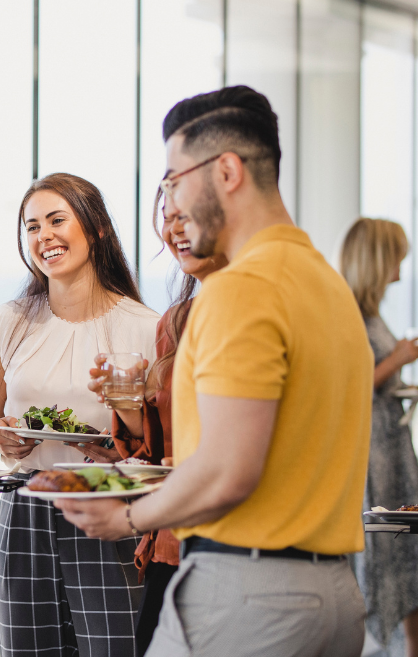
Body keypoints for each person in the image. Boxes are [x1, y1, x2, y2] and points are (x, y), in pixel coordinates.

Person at [55, 85, 373, 657]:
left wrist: (127, 518)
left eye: (174, 182)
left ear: (227, 171)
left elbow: (230, 472)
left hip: (248, 598)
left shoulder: (239, 289)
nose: (171, 205)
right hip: (335, 597)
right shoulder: (327, 284)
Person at [0, 173, 159, 657]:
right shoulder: (8, 322)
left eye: (56, 220)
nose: (43, 236)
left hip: (107, 508)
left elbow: (160, 449)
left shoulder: (146, 328)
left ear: (96, 228)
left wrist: (117, 443)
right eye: (32, 226)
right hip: (24, 511)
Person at [97, 190, 227, 654]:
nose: (174, 230)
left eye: (185, 216)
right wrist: (126, 401)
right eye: (167, 218)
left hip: (229, 545)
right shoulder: (174, 322)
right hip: (169, 543)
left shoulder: (256, 312)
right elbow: (154, 451)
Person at [341, 217, 418, 656]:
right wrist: (399, 359)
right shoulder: (349, 315)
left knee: (404, 549)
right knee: (385, 548)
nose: (401, 270)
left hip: (392, 449)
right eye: (396, 258)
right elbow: (350, 387)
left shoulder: (370, 314)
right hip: (374, 454)